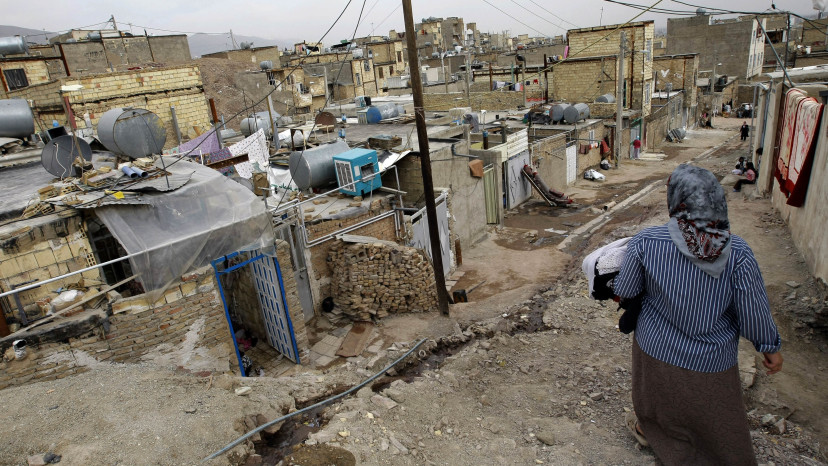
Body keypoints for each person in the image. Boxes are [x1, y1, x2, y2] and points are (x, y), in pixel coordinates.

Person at [615, 164, 782, 465]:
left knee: (659, 402)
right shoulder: (739, 252)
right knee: (716, 419)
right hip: (713, 359)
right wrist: (768, 347)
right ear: (716, 200)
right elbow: (753, 310)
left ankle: (651, 431)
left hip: (656, 348)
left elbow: (626, 291)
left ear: (676, 199)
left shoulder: (646, 243)